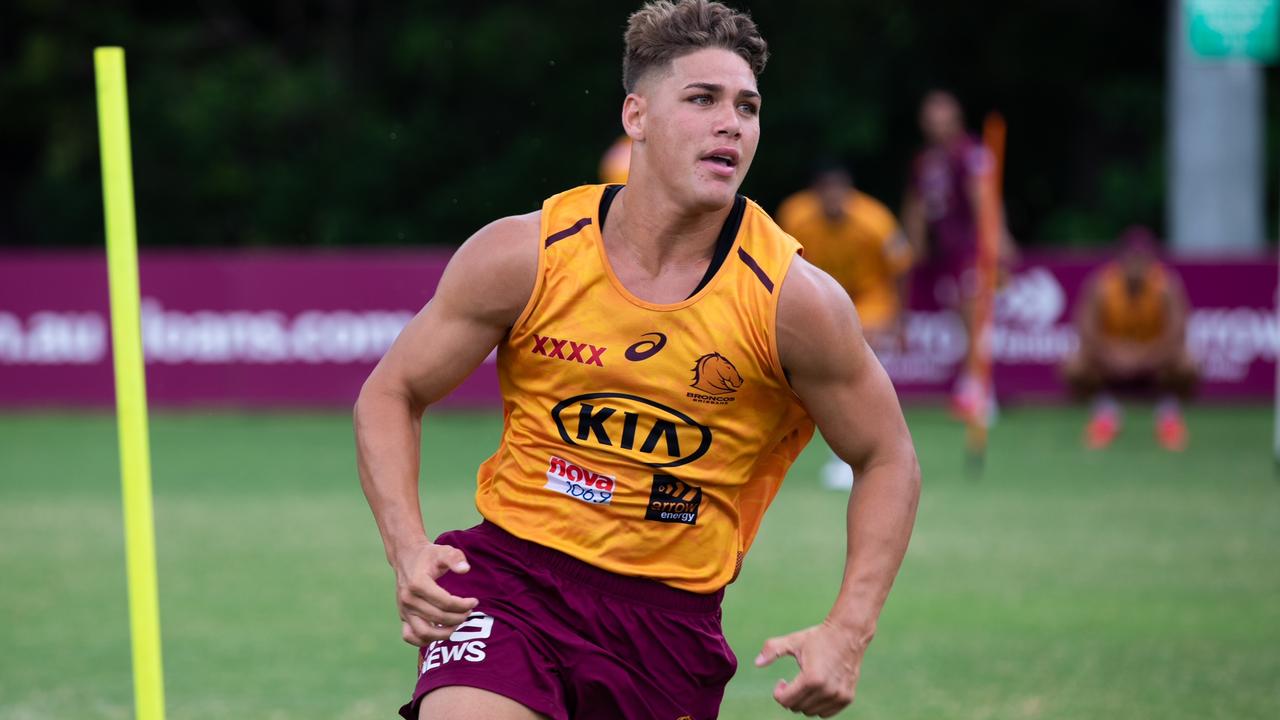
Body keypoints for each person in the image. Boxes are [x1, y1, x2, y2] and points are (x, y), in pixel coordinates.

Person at [354, 2, 920, 719]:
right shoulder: (524, 254)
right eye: (702, 99)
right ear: (636, 117)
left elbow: (888, 457)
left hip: (667, 627)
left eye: (747, 106)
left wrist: (849, 630)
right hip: (511, 584)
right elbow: (391, 391)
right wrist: (407, 548)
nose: (732, 123)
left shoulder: (794, 301)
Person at [777, 162, 913, 490]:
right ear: (816, 193)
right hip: (819, 297)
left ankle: (855, 453)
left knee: (854, 347)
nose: (834, 198)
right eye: (827, 192)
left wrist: (901, 318)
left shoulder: (876, 221)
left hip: (869, 299)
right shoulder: (794, 215)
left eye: (840, 191)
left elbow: (900, 268)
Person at [901, 89, 1012, 420]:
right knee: (963, 319)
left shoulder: (971, 153)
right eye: (931, 121)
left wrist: (997, 243)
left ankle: (981, 390)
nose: (937, 127)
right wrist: (914, 242)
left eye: (943, 120)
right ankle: (971, 384)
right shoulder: (926, 161)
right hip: (943, 252)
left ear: (956, 120)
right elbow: (916, 204)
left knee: (973, 314)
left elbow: (985, 199)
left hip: (970, 249)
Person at [1062, 227, 1197, 451]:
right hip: (1112, 355)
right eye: (1131, 258)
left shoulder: (1167, 286)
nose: (1136, 266)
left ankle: (1168, 415)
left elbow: (1176, 336)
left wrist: (1140, 359)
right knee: (1074, 366)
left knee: (1188, 365)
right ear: (1120, 260)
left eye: (1142, 259)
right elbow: (1086, 332)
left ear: (1151, 260)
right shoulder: (1101, 285)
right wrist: (1115, 357)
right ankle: (1106, 414)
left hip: (1153, 356)